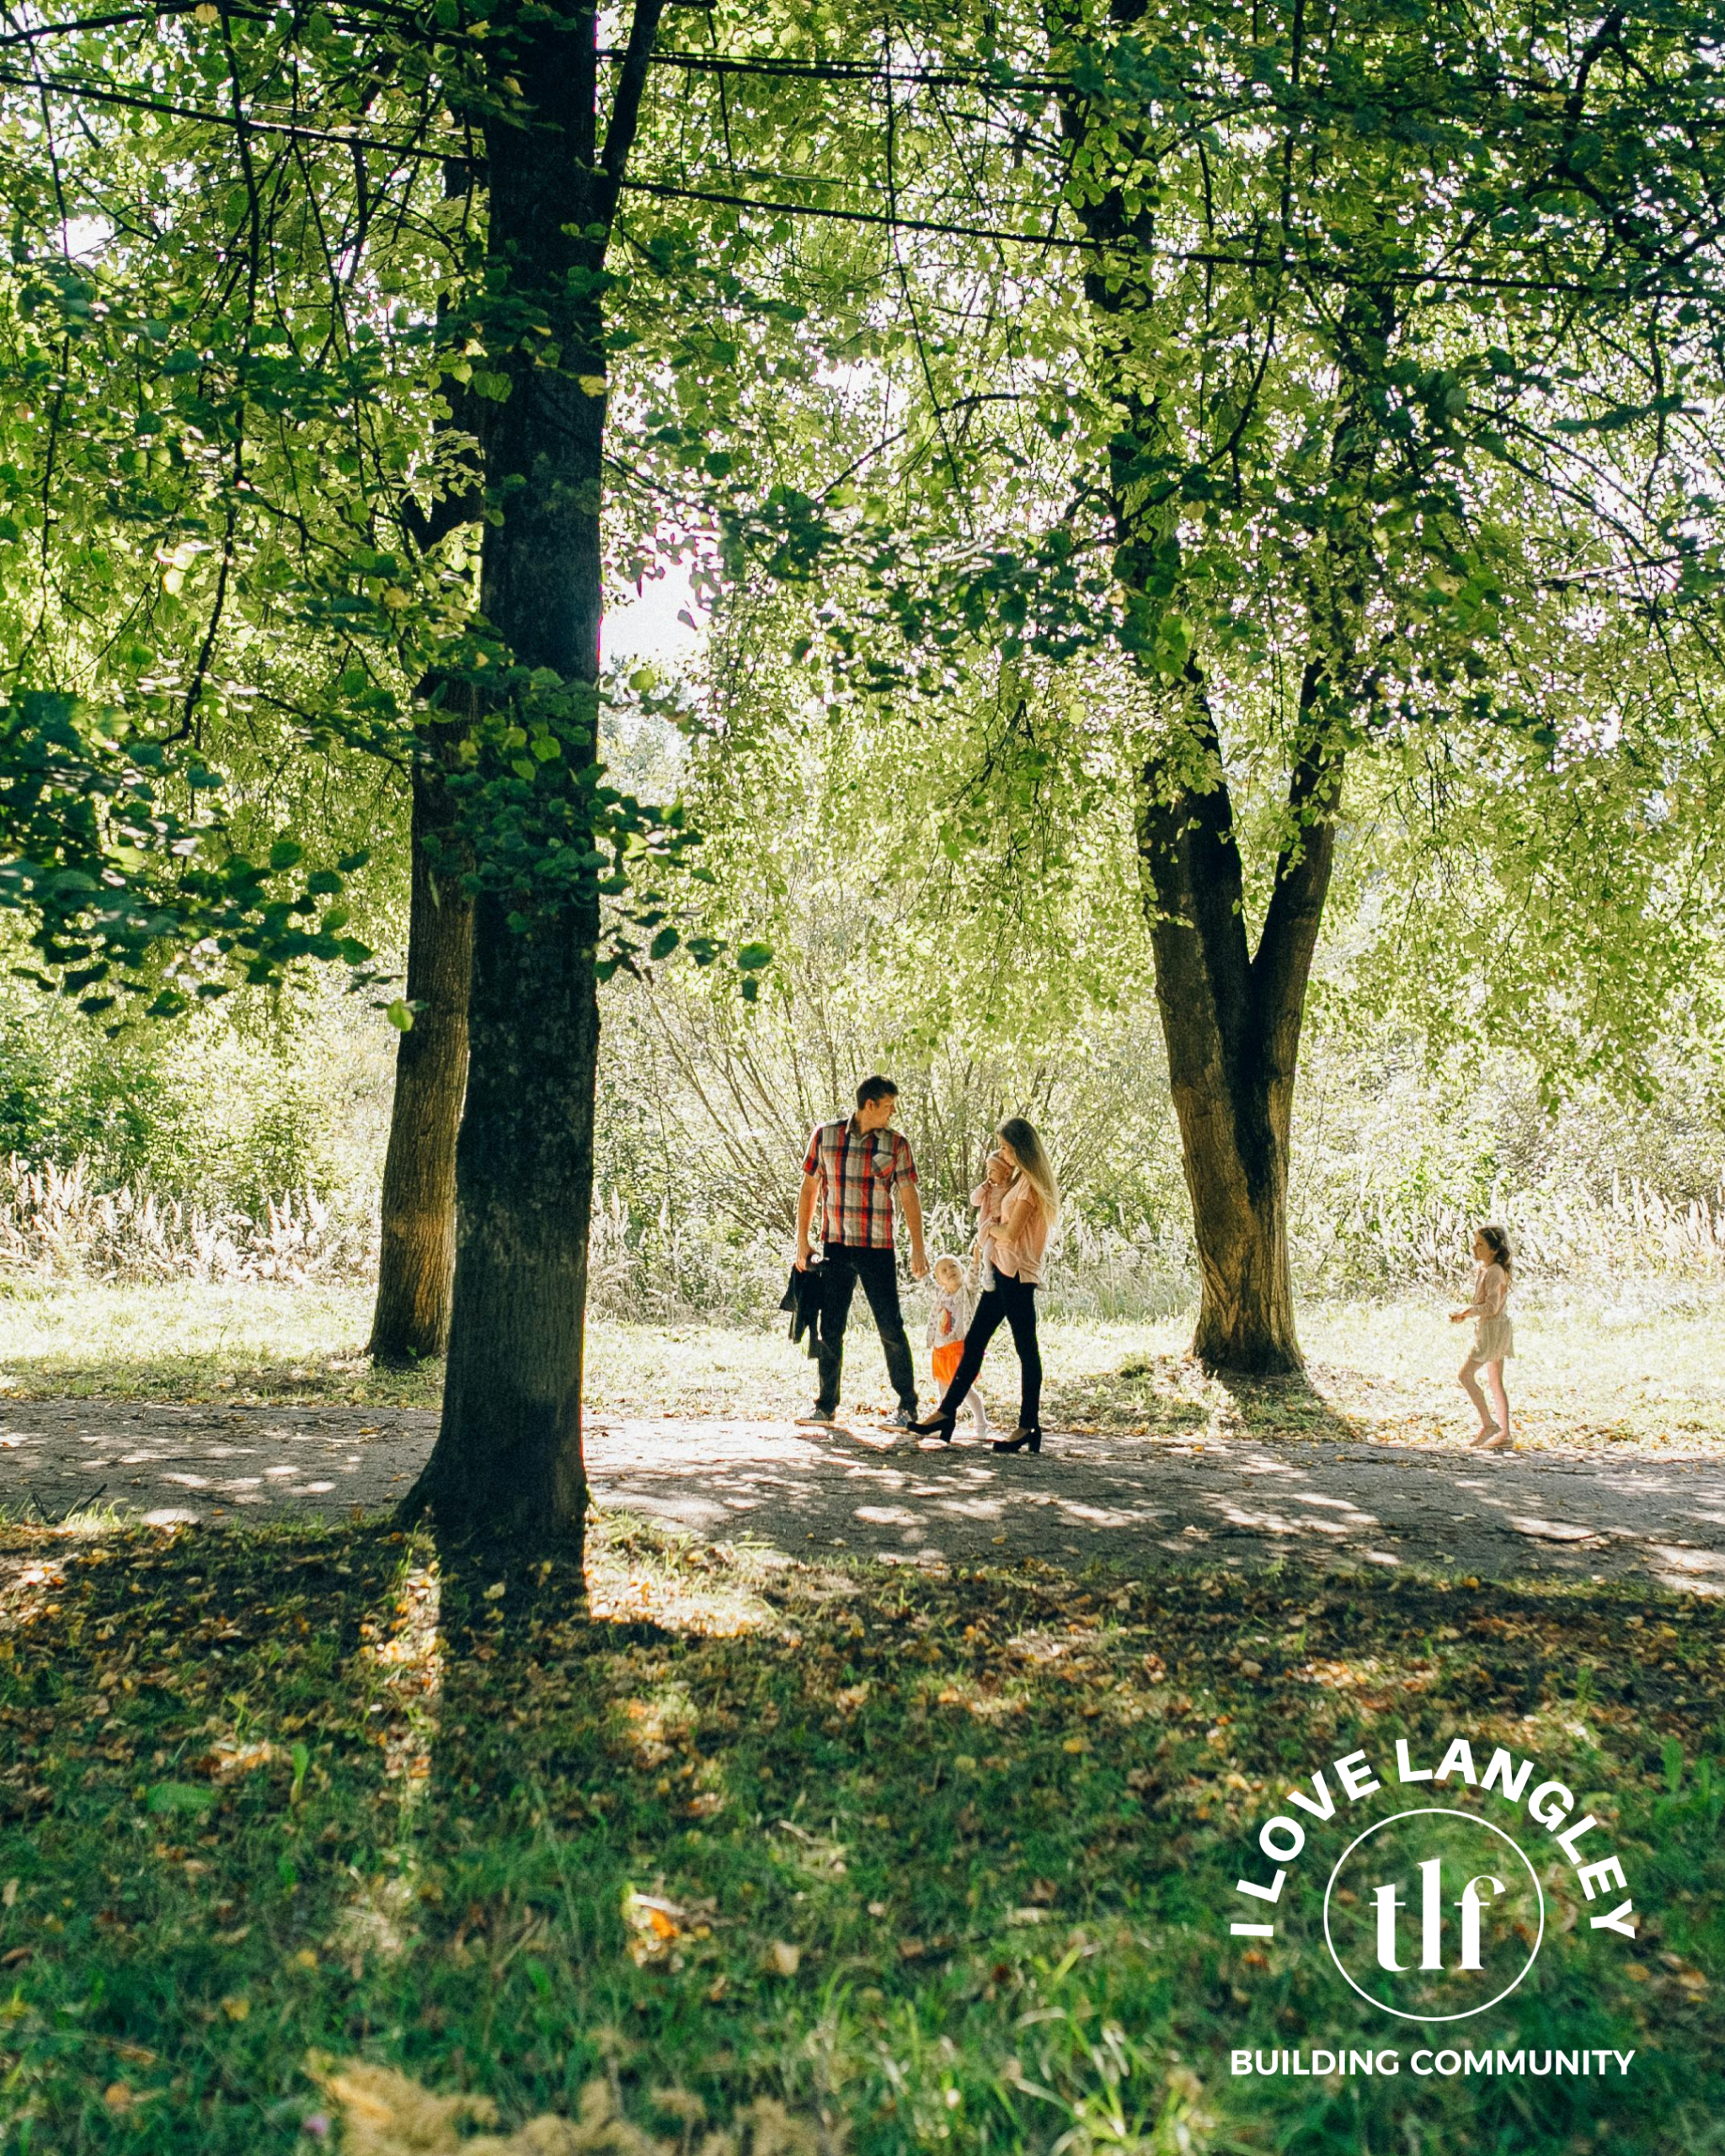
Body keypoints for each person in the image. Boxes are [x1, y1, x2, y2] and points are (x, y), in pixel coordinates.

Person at [911, 1116, 1057, 1454]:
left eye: (1006, 1148)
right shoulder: (1018, 1181)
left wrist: (988, 1229)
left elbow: (1011, 1233)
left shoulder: (1030, 1187)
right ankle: (946, 1413)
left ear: (1021, 1150)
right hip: (1001, 1270)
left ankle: (1028, 1425)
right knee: (975, 1342)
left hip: (1016, 1275)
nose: (1002, 1154)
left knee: (1026, 1349)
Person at [793, 1075, 928, 1428]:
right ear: (870, 1105)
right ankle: (825, 1406)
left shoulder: (897, 1144)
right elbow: (808, 1190)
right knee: (830, 1328)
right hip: (835, 1246)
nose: (892, 1113)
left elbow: (909, 1196)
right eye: (888, 1107)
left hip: (877, 1248)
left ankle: (908, 1407)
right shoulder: (825, 1136)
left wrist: (918, 1248)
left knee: (890, 1327)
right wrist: (802, 1241)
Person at [1450, 1223, 1514, 1450]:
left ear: (1494, 1250)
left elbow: (1491, 1307)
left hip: (1492, 1330)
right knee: (1496, 1382)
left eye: (1480, 1245)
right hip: (1495, 1328)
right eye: (1475, 1244)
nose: (1474, 1249)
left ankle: (1489, 1425)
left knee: (1465, 1375)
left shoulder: (1495, 1271)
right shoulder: (1487, 1270)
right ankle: (1504, 1434)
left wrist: (1467, 1311)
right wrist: (1466, 1314)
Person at [927, 1255, 988, 1440]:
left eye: (953, 1266)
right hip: (941, 1350)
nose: (950, 1271)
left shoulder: (967, 1291)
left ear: (962, 1270)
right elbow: (927, 1285)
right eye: (944, 1271)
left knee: (965, 1390)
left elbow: (974, 1279)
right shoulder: (940, 1294)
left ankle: (982, 1425)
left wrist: (975, 1261)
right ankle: (942, 1424)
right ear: (940, 1281)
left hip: (959, 1348)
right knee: (943, 1391)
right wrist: (921, 1273)